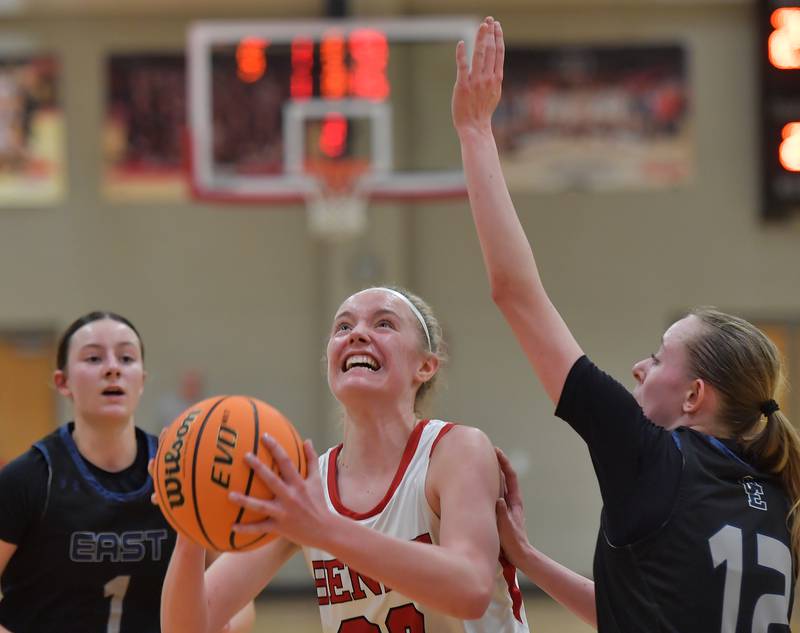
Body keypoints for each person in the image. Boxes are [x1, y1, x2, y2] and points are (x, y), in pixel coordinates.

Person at [453, 16, 800, 632]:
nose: (640, 366)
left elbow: (516, 294)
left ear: (695, 396)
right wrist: (529, 559)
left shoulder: (654, 460)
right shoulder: (768, 494)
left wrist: (477, 130)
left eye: (660, 356)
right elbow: (642, 609)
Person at [160, 286, 529, 633]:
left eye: (384, 323)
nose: (357, 334)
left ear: (426, 366)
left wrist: (324, 530)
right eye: (344, 326)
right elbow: (192, 625)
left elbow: (470, 591)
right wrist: (190, 522)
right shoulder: (306, 486)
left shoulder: (456, 450)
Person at [0, 311, 254, 633]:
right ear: (62, 382)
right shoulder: (28, 478)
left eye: (126, 357)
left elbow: (241, 601)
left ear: (142, 380)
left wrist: (222, 626)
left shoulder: (184, 474)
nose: (112, 368)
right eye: (93, 358)